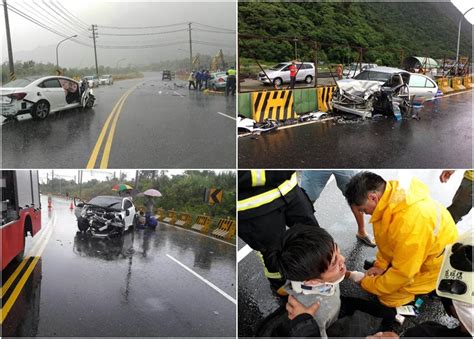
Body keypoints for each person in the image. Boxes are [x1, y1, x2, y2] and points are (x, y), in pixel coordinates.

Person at [343, 171, 458, 307]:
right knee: (388, 279)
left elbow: (403, 273)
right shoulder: (391, 199)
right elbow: (387, 241)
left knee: (388, 298)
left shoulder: (410, 222)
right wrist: (381, 265)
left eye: (362, 210)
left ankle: (427, 290)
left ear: (373, 197)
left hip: (433, 266)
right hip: (418, 252)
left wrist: (367, 283)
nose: (364, 214)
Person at [262, 225, 396, 337]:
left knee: (388, 313)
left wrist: (352, 275)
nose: (343, 259)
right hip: (330, 321)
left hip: (337, 307)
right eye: (333, 263)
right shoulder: (316, 313)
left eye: (337, 251)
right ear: (312, 282)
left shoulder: (312, 277)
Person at [238, 170, 319, 293]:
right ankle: (279, 285)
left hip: (290, 190)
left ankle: (316, 272)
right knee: (273, 252)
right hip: (256, 206)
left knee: (313, 236)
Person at [300, 170, 375, 247]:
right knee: (307, 198)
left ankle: (362, 232)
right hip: (316, 165)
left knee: (357, 195)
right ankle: (300, 237)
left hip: (344, 162)